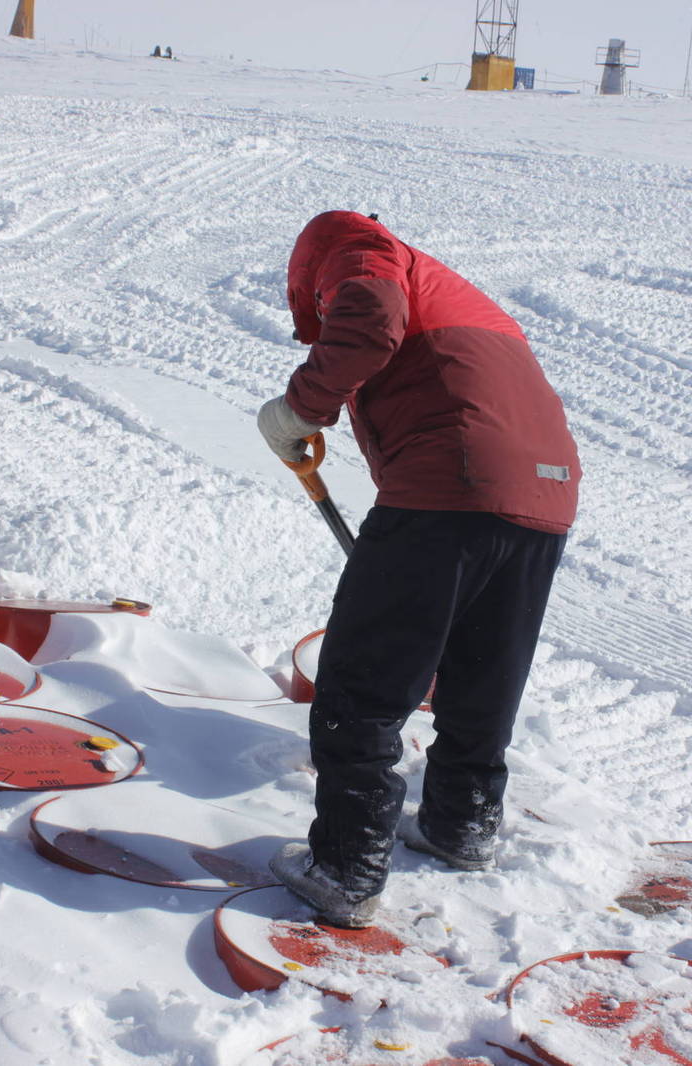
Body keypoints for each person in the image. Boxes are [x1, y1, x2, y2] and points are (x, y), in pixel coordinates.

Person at [257, 211, 580, 927]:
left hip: (452, 482)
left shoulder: (356, 245)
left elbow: (369, 321)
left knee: (363, 677)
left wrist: (301, 406)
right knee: (480, 667)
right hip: (548, 491)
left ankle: (346, 864)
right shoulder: (460, 295)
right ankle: (460, 824)